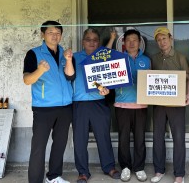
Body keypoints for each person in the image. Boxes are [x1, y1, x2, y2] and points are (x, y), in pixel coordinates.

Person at [23, 20, 74, 183]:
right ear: (42, 34)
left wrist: (68, 60)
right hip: (43, 108)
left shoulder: (65, 54)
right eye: (51, 33)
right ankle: (35, 180)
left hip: (65, 107)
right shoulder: (33, 54)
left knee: (60, 144)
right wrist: (40, 70)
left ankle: (54, 176)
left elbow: (70, 76)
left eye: (58, 33)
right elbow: (27, 80)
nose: (55, 36)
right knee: (38, 147)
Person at [72, 28, 120, 183]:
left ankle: (109, 167)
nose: (91, 42)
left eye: (94, 39)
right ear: (82, 41)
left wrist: (107, 90)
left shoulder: (102, 56)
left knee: (103, 137)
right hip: (79, 103)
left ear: (98, 42)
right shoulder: (73, 58)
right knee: (80, 140)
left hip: (99, 103)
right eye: (88, 39)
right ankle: (83, 172)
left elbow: (109, 77)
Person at [106, 29, 151, 182]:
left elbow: (151, 81)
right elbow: (105, 69)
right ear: (124, 43)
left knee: (140, 138)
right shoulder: (117, 59)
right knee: (123, 138)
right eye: (128, 40)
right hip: (122, 104)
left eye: (135, 40)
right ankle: (125, 167)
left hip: (141, 105)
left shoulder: (146, 60)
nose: (132, 43)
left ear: (139, 43)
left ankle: (139, 168)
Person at [150, 26, 189, 183]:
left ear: (170, 39)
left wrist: (187, 94)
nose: (162, 42)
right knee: (157, 137)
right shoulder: (153, 59)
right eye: (159, 40)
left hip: (177, 104)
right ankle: (159, 170)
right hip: (159, 104)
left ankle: (179, 174)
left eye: (164, 38)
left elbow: (188, 78)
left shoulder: (180, 57)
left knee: (178, 137)